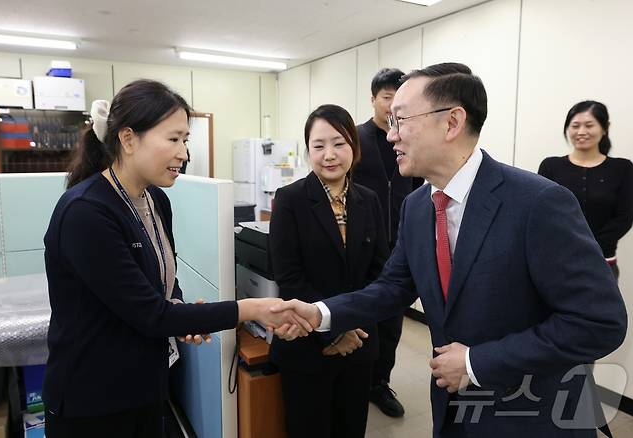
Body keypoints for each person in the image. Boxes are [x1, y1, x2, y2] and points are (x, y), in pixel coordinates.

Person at [271, 63, 627, 438]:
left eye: (400, 120)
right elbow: (393, 287)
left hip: (529, 414)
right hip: (453, 407)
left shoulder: (538, 203)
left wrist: (475, 362)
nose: (390, 136)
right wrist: (319, 313)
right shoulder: (418, 206)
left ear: (452, 122)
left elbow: (599, 323)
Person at [42, 79, 311, 438]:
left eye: (186, 140)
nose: (184, 153)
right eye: (173, 139)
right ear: (128, 138)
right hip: (93, 400)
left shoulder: (156, 200)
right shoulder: (86, 212)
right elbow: (151, 315)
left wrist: (181, 307)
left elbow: (161, 281)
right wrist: (252, 309)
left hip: (144, 384)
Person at [269, 104, 389, 438]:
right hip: (307, 345)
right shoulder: (290, 200)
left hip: (359, 343)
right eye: (318, 146)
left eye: (338, 143)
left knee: (351, 428)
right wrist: (337, 328)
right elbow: (289, 278)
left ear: (354, 146)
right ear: (308, 151)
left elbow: (380, 273)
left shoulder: (370, 200)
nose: (329, 154)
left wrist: (351, 328)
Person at [353, 67, 424, 417]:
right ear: (373, 99)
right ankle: (356, 382)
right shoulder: (355, 137)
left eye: (399, 100)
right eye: (386, 98)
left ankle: (379, 384)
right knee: (361, 319)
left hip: (398, 246)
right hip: (361, 246)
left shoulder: (410, 138)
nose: (392, 106)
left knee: (391, 326)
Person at [538, 101, 633, 280]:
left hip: (603, 263)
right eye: (575, 126)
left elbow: (624, 218)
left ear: (605, 127)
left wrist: (590, 247)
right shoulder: (550, 166)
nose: (581, 131)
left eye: (589, 125)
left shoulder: (623, 168)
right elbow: (542, 214)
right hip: (557, 262)